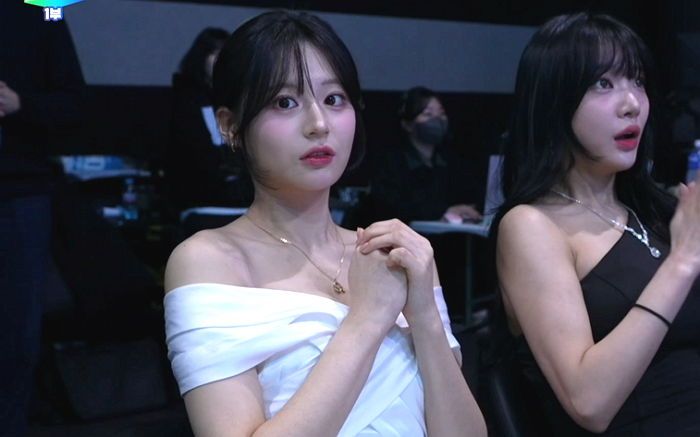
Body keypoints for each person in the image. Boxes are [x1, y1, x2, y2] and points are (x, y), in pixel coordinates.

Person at [163, 10, 486, 436]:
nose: (319, 124)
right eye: (285, 102)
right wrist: (367, 319)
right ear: (230, 126)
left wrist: (424, 315)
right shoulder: (209, 262)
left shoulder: (391, 254)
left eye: (334, 99)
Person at [494, 12, 700, 436]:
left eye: (637, 81)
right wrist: (680, 264)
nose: (632, 104)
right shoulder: (530, 226)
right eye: (603, 84)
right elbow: (589, 401)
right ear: (554, 100)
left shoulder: (657, 208)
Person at [0, 3, 86, 435]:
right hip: (22, 192)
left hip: (19, 189)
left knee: (16, 335)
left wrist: (21, 103)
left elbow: (75, 103)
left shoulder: (44, 12)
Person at [166, 27, 253, 213]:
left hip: (241, 195)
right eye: (215, 54)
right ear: (202, 57)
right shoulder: (185, 101)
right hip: (200, 197)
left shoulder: (238, 98)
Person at [369, 86, 482, 224]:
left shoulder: (452, 162)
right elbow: (391, 207)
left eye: (441, 113)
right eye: (428, 114)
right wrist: (443, 211)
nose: (437, 119)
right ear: (407, 124)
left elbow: (470, 197)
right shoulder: (391, 164)